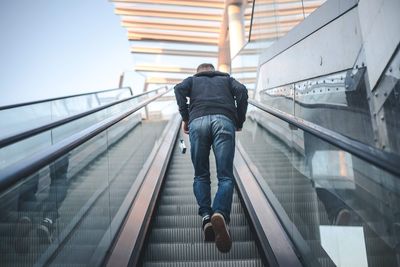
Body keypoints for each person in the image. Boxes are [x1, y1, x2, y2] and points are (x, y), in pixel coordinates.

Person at [174, 63, 248, 253]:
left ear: (199, 72)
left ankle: (206, 218)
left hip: (197, 122)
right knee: (225, 176)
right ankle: (220, 213)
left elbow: (178, 89)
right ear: (213, 70)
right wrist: (239, 119)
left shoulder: (193, 81)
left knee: (201, 175)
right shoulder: (226, 79)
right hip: (224, 121)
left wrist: (186, 117)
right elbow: (242, 91)